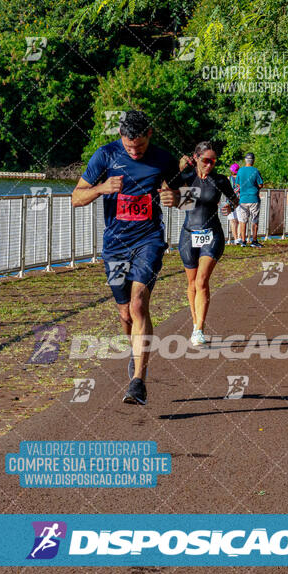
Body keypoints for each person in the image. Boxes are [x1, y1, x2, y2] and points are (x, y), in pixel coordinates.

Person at [72, 110, 182, 406]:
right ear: (121, 136)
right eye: (129, 146)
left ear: (149, 135)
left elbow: (181, 193)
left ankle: (139, 382)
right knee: (124, 314)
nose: (134, 152)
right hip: (116, 245)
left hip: (149, 240)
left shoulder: (163, 159)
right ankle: (135, 354)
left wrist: (175, 198)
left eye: (140, 147)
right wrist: (101, 188)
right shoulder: (105, 155)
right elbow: (75, 197)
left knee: (138, 303)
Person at [160, 141, 239, 346]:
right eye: (205, 160)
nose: (210, 165)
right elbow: (166, 191)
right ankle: (195, 323)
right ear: (195, 158)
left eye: (213, 161)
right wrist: (178, 168)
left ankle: (199, 329)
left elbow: (234, 200)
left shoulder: (220, 180)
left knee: (202, 280)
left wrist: (229, 207)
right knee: (192, 283)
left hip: (212, 235)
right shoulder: (186, 177)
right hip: (188, 234)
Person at [236, 152, 264, 247]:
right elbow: (260, 184)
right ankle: (254, 241)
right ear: (253, 161)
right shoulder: (255, 171)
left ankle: (243, 241)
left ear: (245, 160)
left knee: (243, 221)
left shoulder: (240, 171)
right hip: (254, 198)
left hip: (243, 199)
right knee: (254, 220)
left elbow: (238, 185)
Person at [227, 163, 241, 244]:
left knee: (233, 221)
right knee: (240, 220)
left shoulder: (228, 179)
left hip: (230, 202)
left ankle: (235, 239)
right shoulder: (241, 179)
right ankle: (239, 238)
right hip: (240, 201)